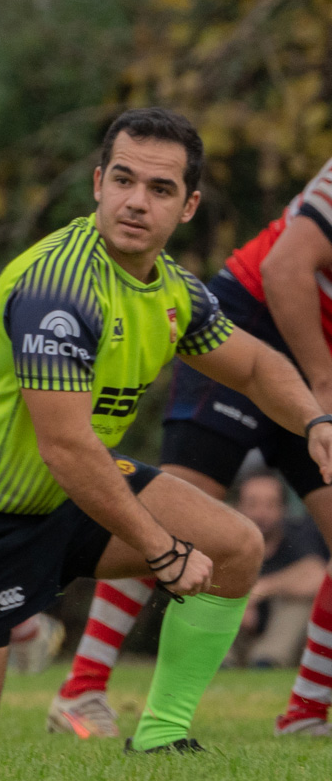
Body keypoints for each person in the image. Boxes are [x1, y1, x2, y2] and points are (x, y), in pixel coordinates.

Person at [50, 151, 332, 738]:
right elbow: (285, 270)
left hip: (314, 361)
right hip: (249, 327)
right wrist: (323, 384)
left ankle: (306, 713)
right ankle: (81, 692)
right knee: (177, 517)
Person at [231, 471, 328, 668]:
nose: (261, 513)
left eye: (270, 505)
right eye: (252, 504)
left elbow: (318, 575)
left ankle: (267, 661)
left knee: (299, 602)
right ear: (238, 507)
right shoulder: (226, 542)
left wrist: (260, 590)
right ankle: (218, 661)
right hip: (233, 638)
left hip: (281, 643)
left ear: (284, 508)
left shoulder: (298, 537)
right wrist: (238, 602)